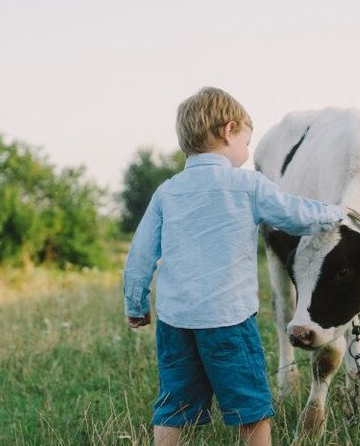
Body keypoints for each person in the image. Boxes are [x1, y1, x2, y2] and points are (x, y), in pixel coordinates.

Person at [122, 87, 347, 446]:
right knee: (251, 410)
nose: (247, 152)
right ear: (229, 130)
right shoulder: (247, 185)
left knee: (172, 406)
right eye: (246, 141)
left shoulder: (166, 191)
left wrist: (135, 305)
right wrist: (336, 213)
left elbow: (139, 257)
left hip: (176, 323)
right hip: (229, 321)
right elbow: (295, 215)